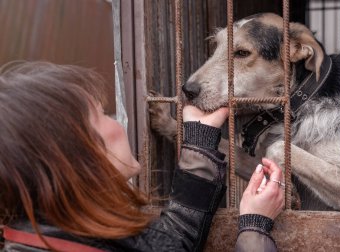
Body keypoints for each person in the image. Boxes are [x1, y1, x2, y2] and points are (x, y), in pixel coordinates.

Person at [0, 62, 284, 252]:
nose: (117, 123)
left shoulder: (46, 236)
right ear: (76, 152)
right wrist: (254, 229)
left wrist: (198, 137)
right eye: (102, 115)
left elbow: (167, 245)